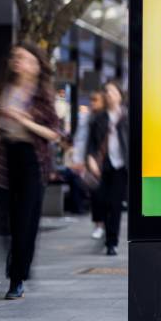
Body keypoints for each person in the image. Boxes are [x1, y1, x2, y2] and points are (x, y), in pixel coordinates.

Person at [0, 43, 61, 300]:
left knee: (24, 221)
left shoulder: (43, 95)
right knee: (4, 220)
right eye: (16, 57)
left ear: (36, 65)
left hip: (32, 159)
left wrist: (23, 120)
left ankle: (17, 278)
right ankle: (17, 263)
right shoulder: (4, 88)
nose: (18, 61)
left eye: (25, 58)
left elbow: (54, 133)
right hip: (5, 156)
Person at [86, 80, 128, 256]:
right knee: (102, 201)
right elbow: (91, 143)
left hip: (121, 166)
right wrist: (90, 159)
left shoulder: (127, 116)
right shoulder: (98, 118)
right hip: (103, 165)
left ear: (119, 94)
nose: (109, 94)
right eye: (107, 91)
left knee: (115, 204)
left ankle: (112, 242)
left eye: (112, 91)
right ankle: (105, 231)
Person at [70, 91, 106, 238]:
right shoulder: (87, 118)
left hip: (108, 161)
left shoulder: (109, 117)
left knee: (106, 196)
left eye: (96, 100)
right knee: (96, 194)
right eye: (91, 100)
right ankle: (99, 224)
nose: (93, 103)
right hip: (92, 160)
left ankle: (106, 224)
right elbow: (81, 139)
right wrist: (78, 159)